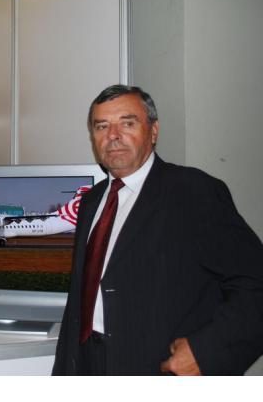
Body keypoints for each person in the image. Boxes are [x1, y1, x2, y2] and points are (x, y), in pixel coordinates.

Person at [52, 84, 263, 375]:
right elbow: (81, 300)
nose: (113, 136)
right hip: (88, 364)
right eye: (102, 126)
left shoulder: (194, 192)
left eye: (127, 123)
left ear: (153, 131)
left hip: (157, 367)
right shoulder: (90, 202)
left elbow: (255, 284)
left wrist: (205, 352)